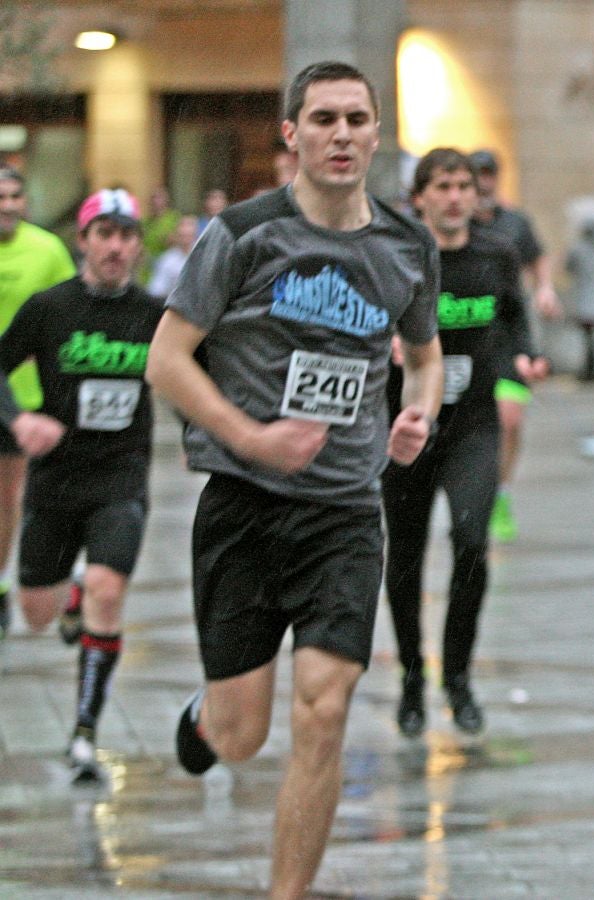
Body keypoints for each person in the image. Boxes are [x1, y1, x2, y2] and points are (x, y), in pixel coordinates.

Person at [145, 61, 442, 899]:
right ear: (292, 135)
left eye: (356, 120)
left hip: (345, 510)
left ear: (377, 133)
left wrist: (416, 411)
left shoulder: (405, 244)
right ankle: (208, 720)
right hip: (242, 503)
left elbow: (424, 355)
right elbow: (166, 363)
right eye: (323, 121)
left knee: (324, 710)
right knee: (242, 736)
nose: (341, 135)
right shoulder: (242, 235)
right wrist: (250, 437)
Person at [0, 189, 162, 782]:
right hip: (55, 477)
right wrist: (19, 419)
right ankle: (66, 599)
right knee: (37, 614)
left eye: (126, 236)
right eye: (104, 235)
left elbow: (202, 369)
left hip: (120, 475)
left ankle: (84, 734)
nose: (116, 247)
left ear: (139, 246)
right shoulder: (50, 309)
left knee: (108, 590)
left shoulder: (154, 315)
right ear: (84, 241)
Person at [383, 148, 532, 737]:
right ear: (419, 197)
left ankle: (459, 678)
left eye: (463, 187)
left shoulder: (497, 255)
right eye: (441, 186)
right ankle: (413, 679)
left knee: (472, 542)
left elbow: (516, 319)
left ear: (476, 197)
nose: (453, 197)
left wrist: (522, 361)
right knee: (406, 556)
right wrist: (388, 347)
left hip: (473, 424)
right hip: (409, 425)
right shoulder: (401, 260)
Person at [0, 166, 76, 639]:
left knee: (10, 498)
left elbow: (73, 311)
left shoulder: (46, 250)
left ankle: (3, 584)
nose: (7, 205)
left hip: (22, 401)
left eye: (14, 196)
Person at [468, 148, 554, 543]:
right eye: (476, 175)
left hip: (509, 336)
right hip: (466, 337)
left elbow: (539, 258)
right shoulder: (457, 223)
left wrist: (545, 291)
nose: (483, 182)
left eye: (489, 174)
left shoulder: (515, 223)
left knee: (510, 420)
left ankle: (498, 493)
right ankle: (473, 491)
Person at [565, 219, 594, 382]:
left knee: (588, 336)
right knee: (592, 336)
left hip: (583, 296)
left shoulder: (577, 249)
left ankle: (590, 369)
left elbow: (569, 267)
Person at [146, 215, 198, 300]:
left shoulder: (205, 255)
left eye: (189, 226)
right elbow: (156, 289)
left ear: (196, 232)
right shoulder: (166, 259)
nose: (185, 231)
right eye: (182, 227)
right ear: (177, 233)